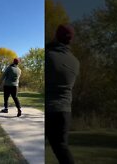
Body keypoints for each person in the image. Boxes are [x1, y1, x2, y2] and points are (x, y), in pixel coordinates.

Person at [46, 24, 80, 164]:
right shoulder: (75, 61)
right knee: (61, 148)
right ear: (71, 40)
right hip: (65, 110)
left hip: (49, 108)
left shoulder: (48, 55)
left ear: (56, 36)